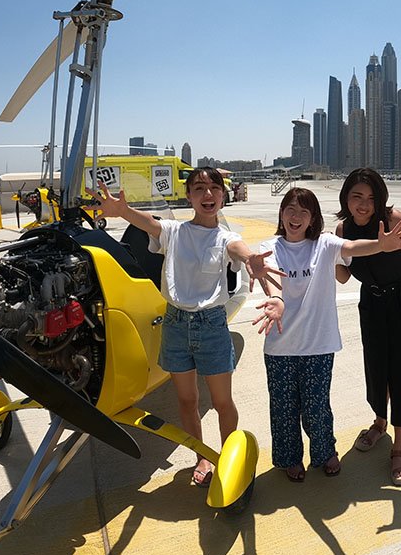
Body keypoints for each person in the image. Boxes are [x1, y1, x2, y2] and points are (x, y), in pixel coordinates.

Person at [88, 167, 285, 487]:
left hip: (211, 326)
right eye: (199, 189)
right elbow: (148, 223)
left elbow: (240, 251)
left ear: (222, 195)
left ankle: (228, 456)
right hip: (176, 325)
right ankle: (202, 456)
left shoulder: (227, 238)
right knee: (187, 401)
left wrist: (252, 259)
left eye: (213, 189)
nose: (207, 194)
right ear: (189, 196)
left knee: (222, 402)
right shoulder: (174, 231)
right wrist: (121, 211)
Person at [253, 187, 401, 482]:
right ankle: (290, 458)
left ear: (313, 218)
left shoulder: (324, 244)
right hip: (280, 346)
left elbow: (354, 249)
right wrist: (276, 300)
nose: (296, 216)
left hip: (318, 344)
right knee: (284, 408)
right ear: (281, 213)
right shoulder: (270, 247)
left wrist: (382, 245)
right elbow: (266, 273)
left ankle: (325, 452)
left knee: (317, 407)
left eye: (304, 211)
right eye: (290, 209)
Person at [335, 168, 401, 487]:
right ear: (346, 199)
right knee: (377, 368)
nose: (364, 204)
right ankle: (379, 423)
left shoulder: (395, 219)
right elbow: (342, 275)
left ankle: (399, 447)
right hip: (373, 303)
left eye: (371, 198)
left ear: (381, 199)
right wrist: (327, 255)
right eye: (357, 196)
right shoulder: (343, 228)